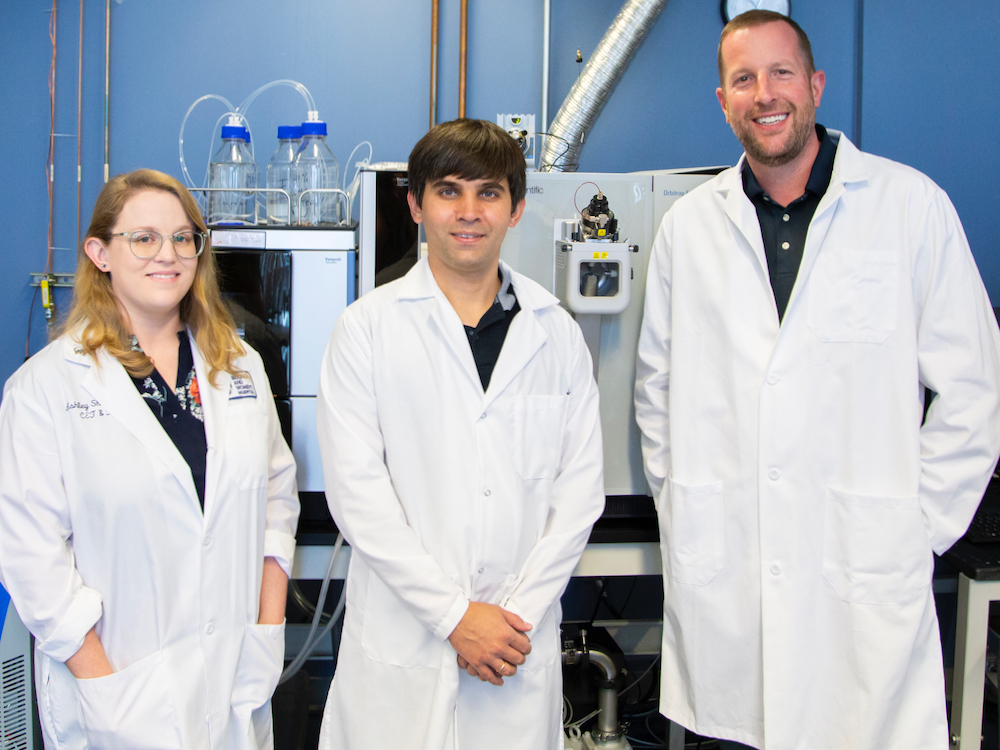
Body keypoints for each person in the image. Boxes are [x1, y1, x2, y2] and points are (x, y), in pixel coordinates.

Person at [634, 11, 1000, 750]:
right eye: (744, 79)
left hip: (861, 578)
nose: (764, 94)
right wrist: (690, 512)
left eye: (781, 73)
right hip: (728, 576)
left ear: (816, 85)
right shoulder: (690, 228)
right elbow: (656, 393)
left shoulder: (909, 207)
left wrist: (917, 528)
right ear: (723, 100)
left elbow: (976, 390)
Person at [316, 119, 605, 750]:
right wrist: (454, 619)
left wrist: (511, 619)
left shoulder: (556, 335)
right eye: (448, 191)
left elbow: (580, 494)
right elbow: (358, 498)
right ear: (416, 205)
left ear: (517, 208)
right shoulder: (366, 330)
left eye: (489, 193)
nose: (469, 212)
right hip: (404, 640)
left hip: (513, 645)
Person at [0, 169, 300, 749]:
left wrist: (267, 625)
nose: (168, 254)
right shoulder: (44, 389)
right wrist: (103, 683)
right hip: (119, 695)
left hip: (234, 679)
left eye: (183, 238)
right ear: (99, 253)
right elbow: (30, 556)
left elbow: (276, 498)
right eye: (143, 238)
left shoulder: (238, 366)